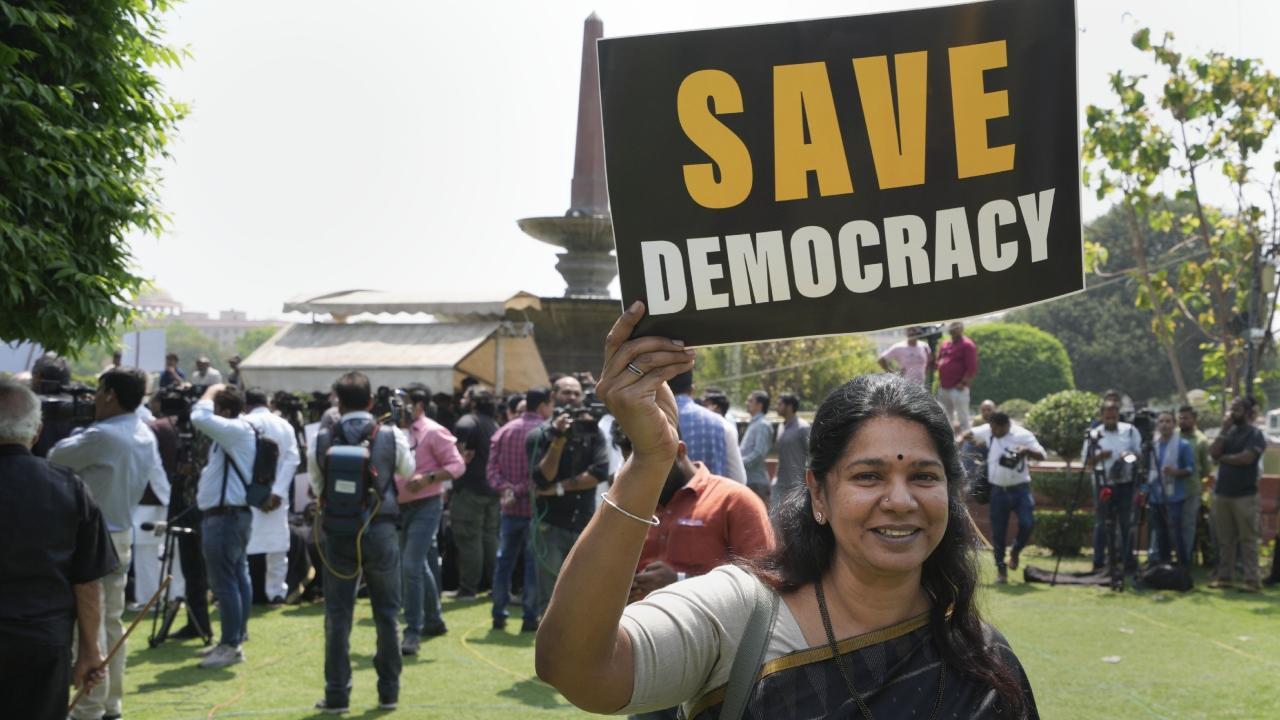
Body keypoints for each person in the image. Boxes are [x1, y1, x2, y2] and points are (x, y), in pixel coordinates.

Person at [536, 303, 1037, 718]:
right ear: (818, 494)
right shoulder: (744, 615)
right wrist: (649, 461)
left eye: (924, 477)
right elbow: (574, 667)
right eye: (869, 476)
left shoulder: (985, 665)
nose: (901, 501)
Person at [0, 378, 119, 720]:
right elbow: (86, 581)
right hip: (40, 642)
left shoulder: (70, 487)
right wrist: (90, 651)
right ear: (36, 432)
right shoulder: (67, 486)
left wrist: (89, 652)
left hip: (42, 639)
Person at [49, 367, 164, 720]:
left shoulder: (101, 435)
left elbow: (53, 457)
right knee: (112, 623)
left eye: (98, 392)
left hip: (91, 540)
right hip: (120, 533)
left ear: (110, 394)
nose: (93, 399)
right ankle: (110, 701)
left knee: (88, 628)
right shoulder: (144, 431)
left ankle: (88, 709)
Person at [310, 371, 415, 713]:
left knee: (338, 616)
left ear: (337, 403)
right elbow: (407, 471)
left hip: (339, 532)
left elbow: (316, 484)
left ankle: (337, 695)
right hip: (380, 528)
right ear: (371, 401)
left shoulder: (323, 436)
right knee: (387, 614)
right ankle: (389, 693)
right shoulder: (389, 434)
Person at [528, 375, 610, 616]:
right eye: (566, 392)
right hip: (550, 526)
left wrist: (558, 488)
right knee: (551, 597)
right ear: (553, 396)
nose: (572, 397)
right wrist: (559, 440)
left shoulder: (593, 431)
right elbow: (542, 477)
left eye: (576, 393)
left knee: (583, 593)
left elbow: (599, 472)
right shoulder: (540, 434)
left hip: (584, 525)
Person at [190, 384, 257, 669]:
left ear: (225, 412)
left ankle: (231, 644)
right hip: (232, 515)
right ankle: (235, 638)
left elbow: (199, 418)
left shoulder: (235, 430)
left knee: (225, 582)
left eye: (217, 408)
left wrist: (210, 391)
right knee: (237, 577)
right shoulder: (239, 432)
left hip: (225, 517)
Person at [396, 383, 465, 654]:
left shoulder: (433, 431)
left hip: (426, 504)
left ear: (419, 405)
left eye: (404, 401)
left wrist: (428, 479)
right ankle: (434, 620)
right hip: (400, 507)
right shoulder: (394, 430)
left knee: (411, 565)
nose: (398, 406)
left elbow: (457, 465)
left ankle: (412, 631)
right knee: (420, 563)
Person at [148, 396, 212, 641]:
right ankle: (197, 624)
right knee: (191, 570)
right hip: (188, 506)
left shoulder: (207, 435)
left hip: (197, 507)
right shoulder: (189, 433)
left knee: (197, 570)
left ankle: (201, 625)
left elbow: (204, 466)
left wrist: (191, 468)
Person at [488, 386, 551, 632]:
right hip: (535, 509)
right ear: (544, 404)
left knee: (504, 562)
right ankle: (529, 616)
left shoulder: (503, 431)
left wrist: (507, 489)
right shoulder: (544, 432)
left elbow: (491, 470)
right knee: (532, 565)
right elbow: (543, 474)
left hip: (509, 508)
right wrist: (521, 489)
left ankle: (498, 613)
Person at [968, 412, 1046, 583]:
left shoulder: (1023, 435)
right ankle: (1001, 571)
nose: (992, 431)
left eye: (996, 428)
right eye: (991, 427)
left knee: (1027, 523)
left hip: (1020, 489)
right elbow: (969, 434)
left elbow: (1042, 455)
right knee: (998, 533)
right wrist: (962, 439)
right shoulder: (990, 430)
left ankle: (1016, 551)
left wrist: (1026, 451)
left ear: (1005, 426)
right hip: (997, 490)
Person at [243, 388, 301, 604]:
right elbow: (293, 459)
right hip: (278, 495)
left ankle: (247, 590)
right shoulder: (284, 425)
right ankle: (276, 592)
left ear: (246, 404)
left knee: (245, 544)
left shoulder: (243, 423)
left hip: (248, 493)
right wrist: (277, 492)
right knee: (277, 547)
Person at [1208, 396, 1266, 592]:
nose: (1233, 412)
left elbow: (1246, 459)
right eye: (1232, 408)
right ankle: (1225, 577)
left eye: (1238, 408)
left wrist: (1224, 458)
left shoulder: (1255, 434)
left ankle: (1252, 579)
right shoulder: (1228, 433)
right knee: (1225, 539)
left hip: (1245, 495)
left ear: (1248, 412)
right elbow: (1213, 453)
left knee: (1248, 539)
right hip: (1223, 493)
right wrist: (1223, 430)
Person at [451, 385, 501, 598]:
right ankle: (495, 586)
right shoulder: (494, 424)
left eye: (465, 396)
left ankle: (468, 588)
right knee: (489, 539)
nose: (461, 399)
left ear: (472, 402)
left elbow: (459, 457)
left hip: (470, 489)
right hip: (491, 490)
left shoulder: (466, 422)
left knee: (469, 538)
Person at [1083, 402, 1142, 573]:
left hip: (1125, 483)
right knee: (1101, 524)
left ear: (1118, 415)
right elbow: (1087, 463)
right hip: (1103, 484)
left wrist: (1127, 457)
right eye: (1107, 416)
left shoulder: (1130, 431)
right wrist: (1100, 456)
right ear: (1102, 416)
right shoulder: (1094, 434)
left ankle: (1127, 562)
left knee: (1125, 523)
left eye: (1114, 416)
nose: (1111, 419)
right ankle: (1099, 562)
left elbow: (1139, 456)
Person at [670, 371, 744, 480]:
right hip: (715, 496)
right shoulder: (722, 424)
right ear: (692, 390)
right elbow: (739, 479)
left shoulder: (645, 423)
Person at [1146, 412, 1193, 566]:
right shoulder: (1153, 445)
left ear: (1174, 424)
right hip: (1155, 496)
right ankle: (1163, 564)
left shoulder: (1183, 445)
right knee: (1159, 532)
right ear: (1157, 425)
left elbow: (1190, 470)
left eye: (1168, 421)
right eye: (1161, 421)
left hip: (1174, 497)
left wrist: (1175, 472)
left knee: (1176, 532)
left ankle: (1182, 565)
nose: (1164, 425)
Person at [1177, 405, 1212, 567]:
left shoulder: (1201, 440)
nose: (1183, 421)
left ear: (1194, 419)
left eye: (1186, 418)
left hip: (1191, 490)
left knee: (1188, 525)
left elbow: (1206, 470)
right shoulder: (1173, 436)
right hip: (1171, 490)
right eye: (1181, 418)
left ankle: (1185, 560)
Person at [935, 321, 979, 431]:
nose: (953, 329)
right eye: (952, 326)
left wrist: (963, 383)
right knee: (945, 417)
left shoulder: (967, 345)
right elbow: (939, 362)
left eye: (956, 327)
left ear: (961, 329)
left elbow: (972, 367)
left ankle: (966, 444)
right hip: (944, 387)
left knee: (962, 417)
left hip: (958, 387)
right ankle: (949, 443)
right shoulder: (945, 344)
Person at [772, 393, 810, 511]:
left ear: (789, 406)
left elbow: (812, 454)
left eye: (780, 404)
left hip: (796, 485)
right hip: (780, 483)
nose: (776, 407)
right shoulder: (781, 427)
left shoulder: (803, 427)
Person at [739, 389, 774, 503]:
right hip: (750, 481)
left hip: (756, 483)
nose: (746, 403)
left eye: (750, 401)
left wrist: (739, 464)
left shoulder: (762, 425)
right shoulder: (755, 423)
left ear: (759, 405)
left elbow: (758, 453)